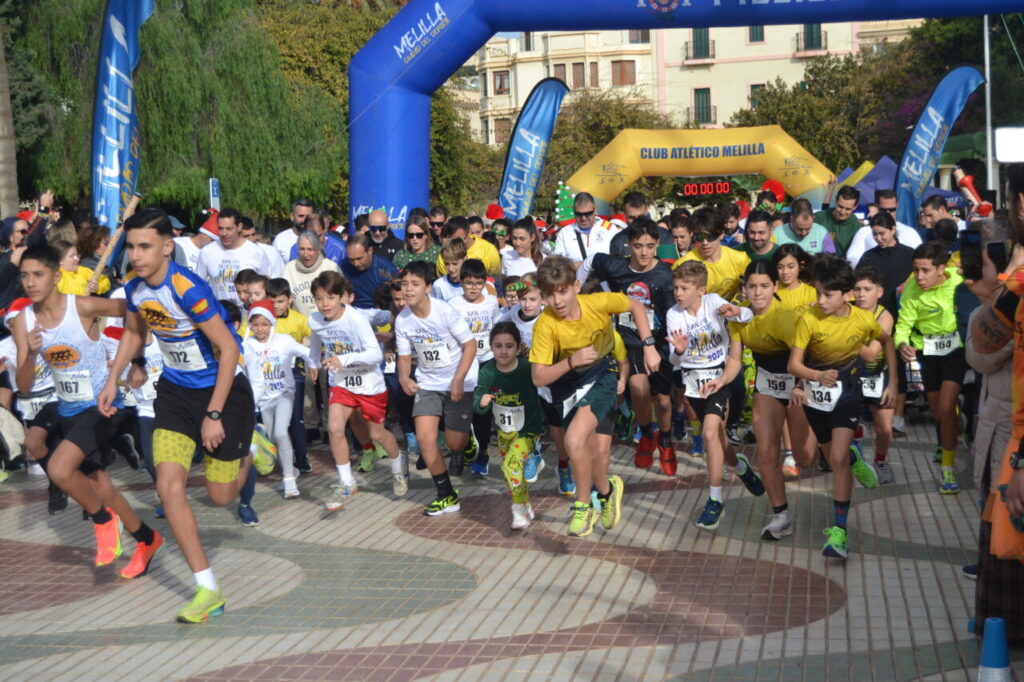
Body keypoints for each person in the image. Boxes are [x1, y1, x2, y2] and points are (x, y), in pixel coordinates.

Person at [99, 209, 260, 623]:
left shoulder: (187, 287)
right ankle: (208, 589)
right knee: (169, 488)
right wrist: (113, 378)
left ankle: (252, 449)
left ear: (167, 247)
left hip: (223, 392)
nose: (136, 254)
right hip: (173, 393)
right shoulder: (134, 289)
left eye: (145, 246)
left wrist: (214, 413)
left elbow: (229, 350)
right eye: (131, 246)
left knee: (220, 496)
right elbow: (135, 332)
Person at [13, 245, 162, 579]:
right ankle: (147, 539)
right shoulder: (22, 321)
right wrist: (33, 355)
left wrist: (136, 360)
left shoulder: (82, 305)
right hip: (68, 408)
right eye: (24, 276)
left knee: (60, 469)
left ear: (56, 276)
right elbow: (23, 386)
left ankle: (103, 521)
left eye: (38, 275)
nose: (31, 282)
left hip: (103, 405)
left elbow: (137, 311)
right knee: (101, 485)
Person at [529, 254, 659, 537]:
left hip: (602, 375)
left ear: (576, 285)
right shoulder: (545, 325)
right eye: (549, 296)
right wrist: (571, 362)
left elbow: (635, 305)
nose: (558, 301)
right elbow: (538, 377)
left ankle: (582, 505)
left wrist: (648, 345)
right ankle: (608, 491)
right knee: (593, 453)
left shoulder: (597, 303)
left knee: (575, 439)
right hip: (567, 385)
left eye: (562, 292)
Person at [788, 255, 896, 560]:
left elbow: (887, 342)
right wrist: (814, 376)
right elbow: (793, 364)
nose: (821, 300)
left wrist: (893, 383)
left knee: (835, 459)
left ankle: (839, 532)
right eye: (818, 292)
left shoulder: (863, 320)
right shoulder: (808, 318)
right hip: (814, 394)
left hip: (847, 391)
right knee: (830, 457)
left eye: (828, 294)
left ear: (847, 294)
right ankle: (853, 456)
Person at [666, 261, 763, 530]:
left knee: (709, 433)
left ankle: (715, 499)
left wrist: (736, 311)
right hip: (692, 382)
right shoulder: (674, 314)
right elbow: (674, 359)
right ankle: (740, 467)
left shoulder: (712, 302)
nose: (678, 293)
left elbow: (747, 316)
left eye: (684, 288)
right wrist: (681, 350)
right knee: (717, 438)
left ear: (701, 289)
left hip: (720, 377)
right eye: (675, 288)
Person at [578, 218, 676, 474]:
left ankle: (665, 439)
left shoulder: (665, 275)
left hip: (659, 343)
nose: (644, 252)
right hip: (629, 341)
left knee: (664, 402)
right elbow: (591, 261)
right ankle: (646, 435)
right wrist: (576, 291)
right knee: (638, 387)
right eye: (637, 246)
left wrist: (663, 346)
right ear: (628, 245)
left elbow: (672, 314)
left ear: (657, 245)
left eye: (650, 246)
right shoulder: (616, 266)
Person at [729, 261, 815, 540]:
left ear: (775, 287)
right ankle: (781, 516)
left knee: (805, 457)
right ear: (744, 289)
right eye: (752, 286)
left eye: (765, 286)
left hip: (798, 383)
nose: (758, 293)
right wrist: (720, 381)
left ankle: (837, 445)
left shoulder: (784, 318)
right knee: (766, 453)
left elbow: (805, 357)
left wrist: (801, 386)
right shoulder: (740, 319)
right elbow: (734, 358)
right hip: (767, 384)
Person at [308, 271, 407, 506]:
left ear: (342, 297)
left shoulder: (356, 319)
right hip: (341, 383)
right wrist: (312, 364)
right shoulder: (315, 320)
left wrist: (345, 359)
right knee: (334, 427)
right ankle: (346, 482)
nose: (325, 304)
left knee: (376, 434)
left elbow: (374, 354)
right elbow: (315, 346)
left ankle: (398, 464)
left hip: (369, 384)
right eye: (319, 298)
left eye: (330, 298)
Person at [395, 260, 479, 516]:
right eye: (405, 284)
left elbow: (470, 346)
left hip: (459, 379)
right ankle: (446, 494)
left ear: (428, 287)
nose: (408, 290)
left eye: (415, 284)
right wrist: (403, 377)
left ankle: (467, 443)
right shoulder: (403, 320)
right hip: (428, 383)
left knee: (454, 444)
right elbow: (405, 355)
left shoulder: (444, 312)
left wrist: (457, 380)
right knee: (425, 440)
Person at [894, 241, 966, 494]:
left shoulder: (959, 280)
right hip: (927, 352)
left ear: (941, 269)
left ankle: (948, 470)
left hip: (956, 349)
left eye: (925, 270)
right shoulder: (912, 287)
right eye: (916, 270)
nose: (919, 276)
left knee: (945, 408)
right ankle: (954, 422)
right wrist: (902, 343)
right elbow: (904, 322)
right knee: (938, 411)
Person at [475, 322, 545, 529]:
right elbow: (478, 398)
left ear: (517, 347)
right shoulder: (487, 372)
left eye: (509, 346)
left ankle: (518, 512)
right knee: (509, 474)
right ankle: (524, 504)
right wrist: (481, 402)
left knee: (511, 464)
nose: (503, 351)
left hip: (527, 430)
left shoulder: (527, 369)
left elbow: (544, 382)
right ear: (490, 346)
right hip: (504, 432)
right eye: (498, 346)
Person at [242, 301, 309, 498]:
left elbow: (306, 352)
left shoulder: (284, 340)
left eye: (264, 324)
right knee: (271, 438)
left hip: (284, 395)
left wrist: (315, 364)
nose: (260, 328)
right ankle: (293, 470)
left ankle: (288, 479)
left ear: (272, 323)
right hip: (263, 401)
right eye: (255, 325)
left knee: (281, 433)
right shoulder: (246, 345)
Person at [449, 258, 501, 476]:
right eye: (469, 283)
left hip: (486, 361)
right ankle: (460, 451)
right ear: (461, 283)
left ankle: (482, 455)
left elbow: (498, 328)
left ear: (484, 284)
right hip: (463, 363)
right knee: (461, 410)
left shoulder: (491, 302)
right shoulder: (453, 304)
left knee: (482, 410)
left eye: (478, 283)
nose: (473, 288)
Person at [852, 266, 896, 484]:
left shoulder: (884, 317)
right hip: (852, 374)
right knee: (848, 424)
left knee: (885, 429)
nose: (861, 295)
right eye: (857, 289)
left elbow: (872, 354)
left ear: (879, 292)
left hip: (878, 374)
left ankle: (880, 459)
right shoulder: (846, 310)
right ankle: (856, 441)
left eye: (867, 289)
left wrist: (893, 384)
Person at [196, 208, 276, 307]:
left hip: (250, 313)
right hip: (220, 312)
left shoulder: (256, 251)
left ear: (239, 227)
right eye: (220, 228)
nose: (224, 233)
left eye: (229, 229)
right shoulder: (207, 252)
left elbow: (267, 283)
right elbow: (198, 285)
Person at [673, 207, 750, 301]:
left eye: (711, 236)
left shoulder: (740, 259)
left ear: (721, 234)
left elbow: (749, 293)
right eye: (700, 237)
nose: (705, 242)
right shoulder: (682, 265)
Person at [856, 211, 915, 316]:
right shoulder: (869, 256)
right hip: (876, 313)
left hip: (904, 312)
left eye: (882, 233)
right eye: (874, 234)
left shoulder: (909, 254)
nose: (878, 238)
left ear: (893, 229)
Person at [845, 189, 923, 266]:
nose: (888, 213)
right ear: (877, 207)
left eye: (892, 209)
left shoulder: (910, 233)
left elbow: (920, 258)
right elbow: (852, 258)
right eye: (884, 210)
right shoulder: (864, 232)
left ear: (897, 205)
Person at [551, 192, 622, 267]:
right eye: (578, 214)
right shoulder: (565, 233)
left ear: (595, 209)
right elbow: (557, 265)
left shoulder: (610, 229)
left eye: (588, 214)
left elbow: (619, 260)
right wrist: (576, 266)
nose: (583, 218)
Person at [283, 230, 342, 317]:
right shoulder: (289, 269)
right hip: (299, 326)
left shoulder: (331, 267)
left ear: (318, 250)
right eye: (302, 249)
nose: (305, 254)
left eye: (310, 249)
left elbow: (342, 298)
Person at [340, 233, 398, 310]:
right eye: (351, 259)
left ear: (370, 250)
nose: (356, 264)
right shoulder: (345, 265)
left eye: (359, 258)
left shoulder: (386, 269)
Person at [435, 216, 501, 277]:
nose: (459, 243)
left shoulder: (489, 250)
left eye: (461, 239)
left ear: (469, 231)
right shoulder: (444, 255)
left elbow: (494, 279)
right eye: (454, 240)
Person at [815, 185, 862, 256]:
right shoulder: (818, 218)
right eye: (840, 206)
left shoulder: (857, 227)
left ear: (855, 207)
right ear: (836, 201)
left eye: (848, 209)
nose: (843, 212)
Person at [272, 198, 315, 264]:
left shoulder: (319, 238)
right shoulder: (280, 240)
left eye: (308, 216)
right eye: (301, 216)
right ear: (292, 216)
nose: (305, 220)